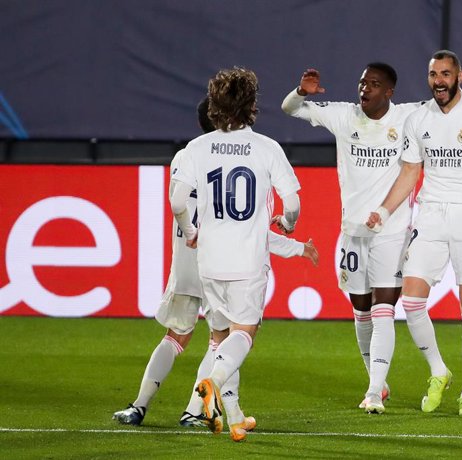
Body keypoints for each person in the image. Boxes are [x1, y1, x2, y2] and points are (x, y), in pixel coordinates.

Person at [282, 64, 462, 413]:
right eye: (362, 82)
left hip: (392, 230)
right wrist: (301, 92)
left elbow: (452, 99)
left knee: (385, 308)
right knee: (361, 312)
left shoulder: (408, 115)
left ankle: (371, 393)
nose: (364, 89)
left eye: (373, 84)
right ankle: (382, 381)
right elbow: (289, 109)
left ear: (389, 92)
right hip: (353, 232)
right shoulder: (343, 116)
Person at [113, 92, 313, 441]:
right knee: (227, 337)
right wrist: (296, 245)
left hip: (187, 257)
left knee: (175, 336)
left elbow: (178, 201)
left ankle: (140, 405)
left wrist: (189, 231)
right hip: (221, 254)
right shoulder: (257, 151)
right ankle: (195, 409)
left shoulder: (188, 153)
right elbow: (254, 220)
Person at [366, 50, 462, 416]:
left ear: (460, 76)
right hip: (431, 213)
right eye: (434, 74)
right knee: (413, 301)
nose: (439, 81)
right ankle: (438, 370)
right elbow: (409, 172)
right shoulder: (419, 117)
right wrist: (385, 210)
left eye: (446, 74)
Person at [171, 68, 301, 442]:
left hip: (209, 260)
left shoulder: (196, 148)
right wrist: (288, 224)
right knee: (244, 333)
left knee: (221, 336)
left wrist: (192, 230)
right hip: (246, 260)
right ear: (251, 105)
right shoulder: (266, 147)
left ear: (214, 104)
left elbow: (178, 200)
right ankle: (210, 384)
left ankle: (235, 415)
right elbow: (291, 203)